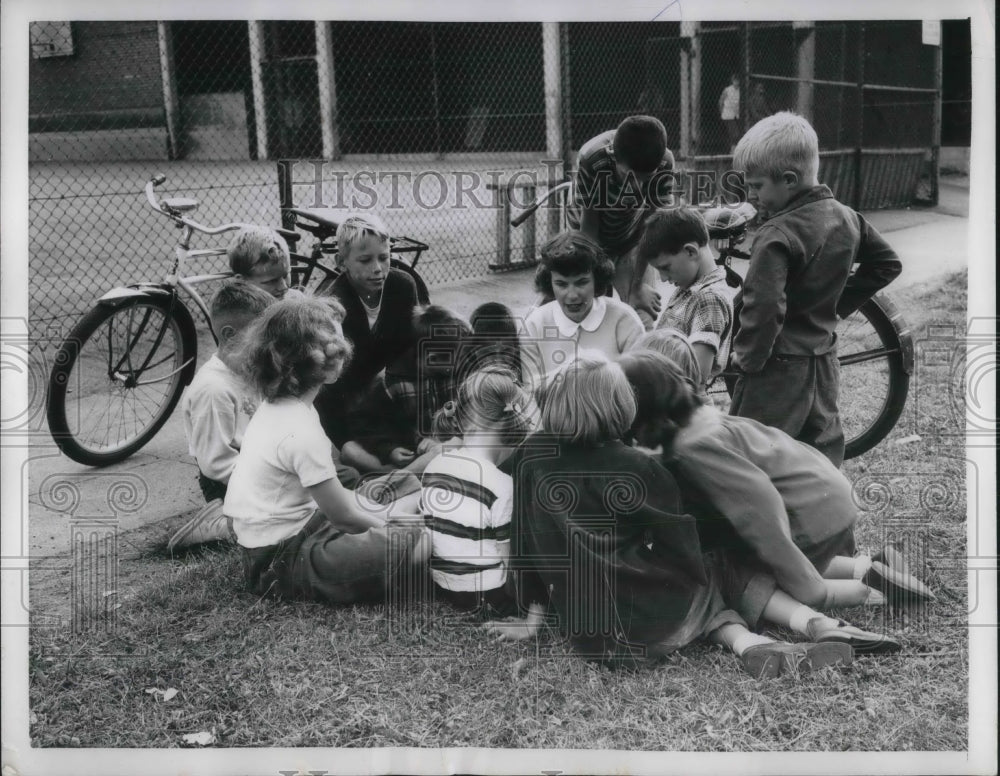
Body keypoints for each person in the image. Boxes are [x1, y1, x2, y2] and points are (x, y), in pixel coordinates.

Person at [487, 355, 894, 675]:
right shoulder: (638, 467)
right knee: (721, 569)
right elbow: (681, 547)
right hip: (658, 622)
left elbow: (524, 541)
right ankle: (815, 621)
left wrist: (531, 617)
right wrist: (712, 570)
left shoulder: (531, 459)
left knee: (704, 594)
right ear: (618, 406)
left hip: (590, 632)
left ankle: (756, 645)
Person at [617, 349, 935, 614]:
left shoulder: (691, 449)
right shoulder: (701, 422)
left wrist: (807, 586)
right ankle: (869, 567)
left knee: (752, 574)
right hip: (824, 497)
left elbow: (757, 507)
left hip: (809, 518)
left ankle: (865, 591)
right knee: (758, 558)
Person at [222, 294, 429, 603]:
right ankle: (410, 531)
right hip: (282, 558)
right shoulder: (300, 431)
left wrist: (380, 512)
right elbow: (344, 516)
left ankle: (405, 521)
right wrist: (393, 524)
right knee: (422, 540)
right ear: (329, 362)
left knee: (407, 484)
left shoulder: (281, 406)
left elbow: (332, 500)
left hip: (308, 522)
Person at [729, 112, 902, 466]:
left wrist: (746, 359)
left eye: (757, 186)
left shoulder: (775, 234)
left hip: (775, 369)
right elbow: (887, 264)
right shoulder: (847, 218)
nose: (752, 195)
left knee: (756, 458)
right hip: (824, 362)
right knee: (821, 457)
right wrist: (836, 304)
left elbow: (763, 307)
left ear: (789, 180)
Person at [421, 366, 536, 619]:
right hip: (488, 595)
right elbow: (511, 560)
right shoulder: (501, 485)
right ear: (512, 425)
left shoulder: (434, 466)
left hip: (442, 585)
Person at [168, 281, 275, 550]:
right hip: (227, 483)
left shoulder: (250, 370)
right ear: (229, 335)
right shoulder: (213, 390)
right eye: (263, 338)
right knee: (280, 524)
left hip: (258, 469)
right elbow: (217, 463)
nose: (271, 346)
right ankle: (218, 523)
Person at [314, 213, 420, 446]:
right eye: (365, 260)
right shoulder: (331, 305)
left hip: (395, 390)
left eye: (384, 257)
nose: (378, 268)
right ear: (341, 262)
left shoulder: (403, 286)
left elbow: (412, 346)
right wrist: (343, 443)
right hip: (349, 403)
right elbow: (328, 383)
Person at [566, 115, 676, 327]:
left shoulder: (664, 161)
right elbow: (589, 227)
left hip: (631, 238)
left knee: (643, 319)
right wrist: (595, 278)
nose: (636, 187)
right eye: (629, 176)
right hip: (586, 239)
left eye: (646, 178)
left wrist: (636, 286)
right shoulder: (593, 158)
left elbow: (652, 225)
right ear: (613, 156)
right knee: (592, 315)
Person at [340, 305, 469, 475]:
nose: (464, 361)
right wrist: (389, 449)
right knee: (349, 450)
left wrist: (439, 440)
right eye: (459, 357)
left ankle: (398, 480)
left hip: (446, 449)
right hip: (412, 454)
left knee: (451, 447)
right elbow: (365, 424)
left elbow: (471, 419)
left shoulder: (460, 377)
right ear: (434, 359)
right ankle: (411, 476)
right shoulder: (391, 383)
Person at [521, 231, 644, 396]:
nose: (572, 295)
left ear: (597, 279)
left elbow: (639, 386)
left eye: (582, 282)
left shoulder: (625, 321)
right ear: (549, 283)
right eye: (561, 284)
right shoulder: (533, 325)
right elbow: (530, 392)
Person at [640, 207, 734, 391]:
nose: (663, 279)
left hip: (681, 406)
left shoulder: (709, 298)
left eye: (665, 268)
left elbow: (694, 375)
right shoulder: (689, 286)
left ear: (690, 251)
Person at [227, 225, 293, 300]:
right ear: (242, 282)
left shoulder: (296, 299)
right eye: (272, 281)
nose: (283, 287)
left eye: (286, 276)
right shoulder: (238, 311)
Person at [467, 302, 524, 384]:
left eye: (505, 352)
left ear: (516, 348)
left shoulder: (525, 375)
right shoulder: (465, 381)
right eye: (488, 353)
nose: (498, 362)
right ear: (473, 350)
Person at [718, 74, 741, 151]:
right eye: (735, 80)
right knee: (735, 133)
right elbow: (720, 101)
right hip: (727, 114)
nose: (736, 82)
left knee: (734, 133)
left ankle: (732, 149)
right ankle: (732, 150)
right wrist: (722, 112)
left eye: (738, 80)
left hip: (736, 115)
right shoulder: (727, 90)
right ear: (732, 81)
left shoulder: (740, 90)